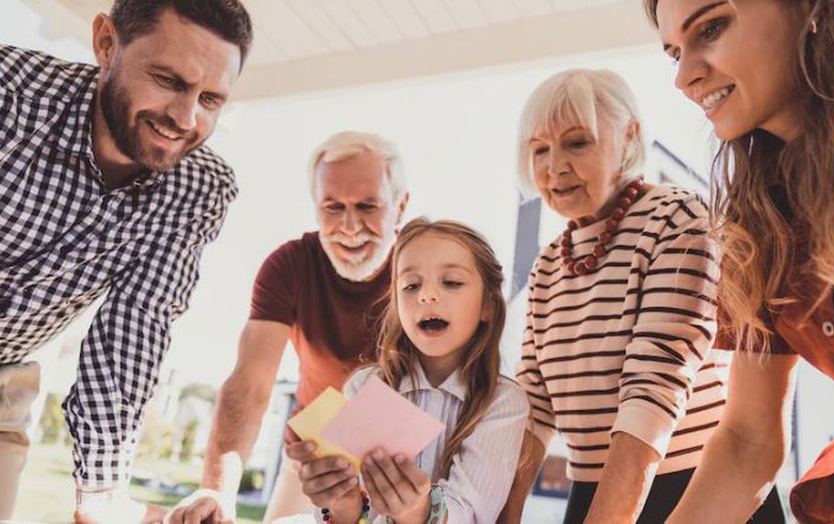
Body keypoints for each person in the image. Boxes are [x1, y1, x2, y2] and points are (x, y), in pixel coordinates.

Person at [0, 0, 252, 521]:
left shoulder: (199, 189)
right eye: (167, 80)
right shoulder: (11, 95)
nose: (185, 118)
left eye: (210, 99)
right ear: (106, 43)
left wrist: (101, 496)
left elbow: (130, 335)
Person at [499, 68, 784, 523]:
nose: (554, 167)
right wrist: (504, 512)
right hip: (595, 485)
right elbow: (534, 401)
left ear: (628, 137)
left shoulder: (675, 219)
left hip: (697, 484)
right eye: (539, 150)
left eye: (577, 143)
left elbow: (652, 392)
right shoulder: (550, 262)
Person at [644, 1, 834, 522]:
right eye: (674, 53)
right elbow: (748, 439)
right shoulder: (762, 218)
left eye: (712, 27)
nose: (683, 77)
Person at [166, 131, 409, 523]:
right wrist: (218, 489)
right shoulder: (290, 266)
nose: (349, 226)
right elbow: (251, 384)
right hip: (315, 461)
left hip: (399, 463)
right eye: (332, 207)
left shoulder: (424, 266)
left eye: (367, 206)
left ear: (400, 206)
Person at [288, 217, 528, 523]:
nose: (426, 295)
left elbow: (470, 514)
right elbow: (354, 516)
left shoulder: (503, 402)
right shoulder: (365, 386)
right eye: (411, 286)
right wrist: (341, 503)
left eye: (451, 282)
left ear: (488, 306)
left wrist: (417, 511)